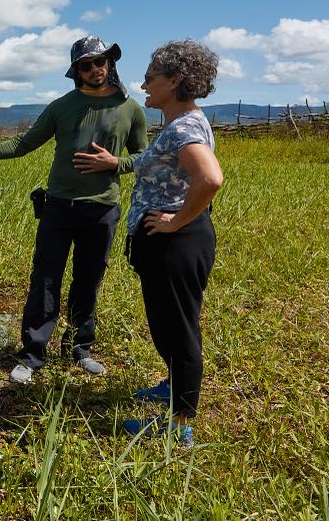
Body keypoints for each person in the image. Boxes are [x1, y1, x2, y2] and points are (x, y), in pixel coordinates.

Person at [0, 36, 148, 382]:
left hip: (102, 210)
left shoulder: (130, 109)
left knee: (88, 280)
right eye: (87, 65)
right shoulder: (61, 107)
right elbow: (23, 144)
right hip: (59, 209)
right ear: (76, 71)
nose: (96, 69)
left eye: (101, 62)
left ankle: (80, 348)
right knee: (46, 281)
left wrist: (115, 163)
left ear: (110, 64)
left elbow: (144, 158)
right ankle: (33, 355)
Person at [122, 39, 224, 447]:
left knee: (179, 329)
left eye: (150, 77)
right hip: (167, 241)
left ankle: (179, 424)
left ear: (175, 80)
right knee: (167, 324)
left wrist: (175, 221)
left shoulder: (183, 127)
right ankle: (172, 386)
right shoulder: (182, 122)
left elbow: (210, 179)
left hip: (176, 241)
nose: (144, 85)